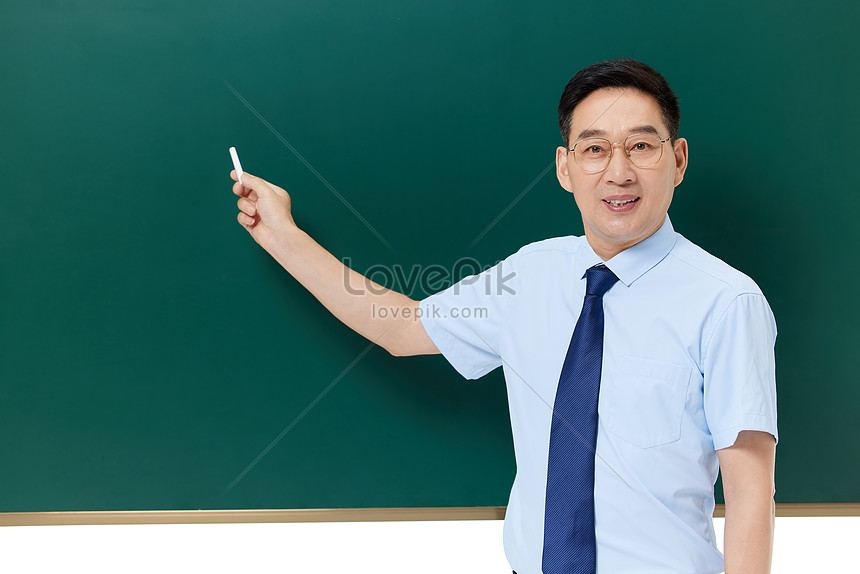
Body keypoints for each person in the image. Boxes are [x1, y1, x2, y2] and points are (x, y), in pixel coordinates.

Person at [231, 58, 777, 574]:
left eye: (641, 146)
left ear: (678, 159)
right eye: (594, 150)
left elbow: (750, 490)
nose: (618, 171)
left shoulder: (727, 303)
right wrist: (282, 235)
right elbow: (399, 326)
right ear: (565, 168)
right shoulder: (529, 274)